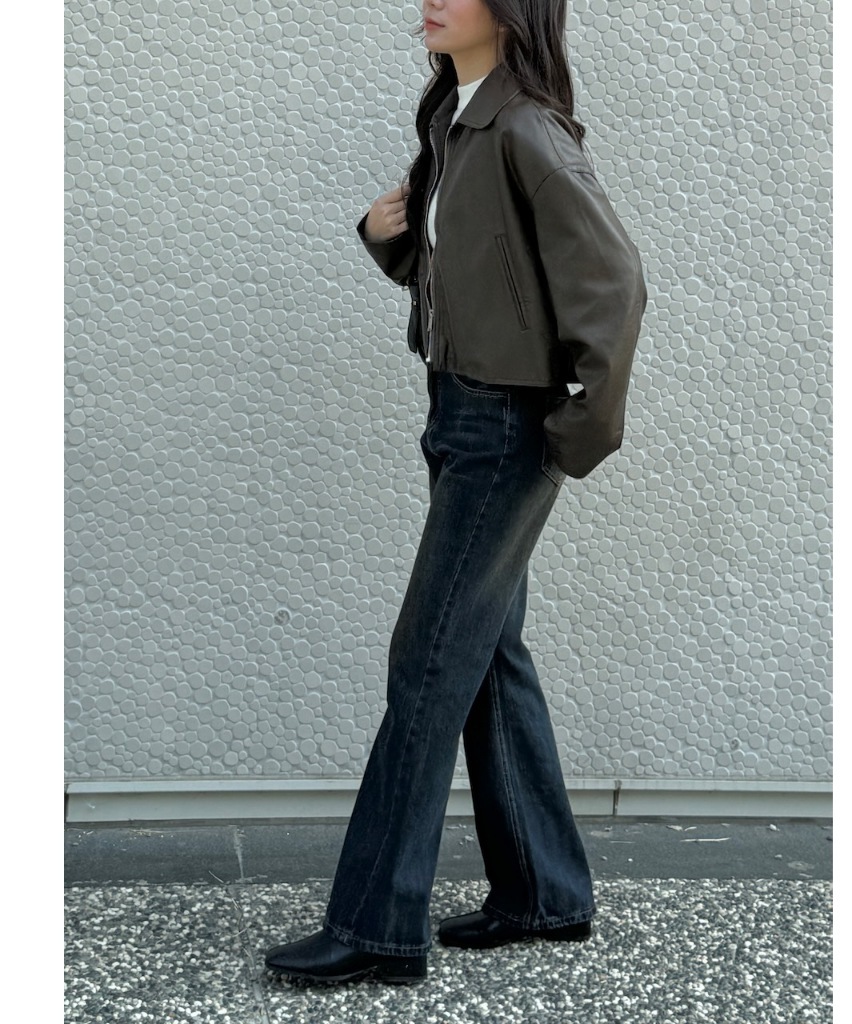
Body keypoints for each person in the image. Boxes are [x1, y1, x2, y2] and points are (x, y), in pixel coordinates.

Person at [264, 0, 647, 985]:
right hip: (459, 410)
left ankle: (377, 926)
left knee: (428, 659)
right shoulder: (457, 116)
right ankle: (544, 892)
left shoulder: (523, 130)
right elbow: (472, 272)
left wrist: (576, 434)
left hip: (505, 429)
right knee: (485, 654)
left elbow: (613, 283)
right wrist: (384, 236)